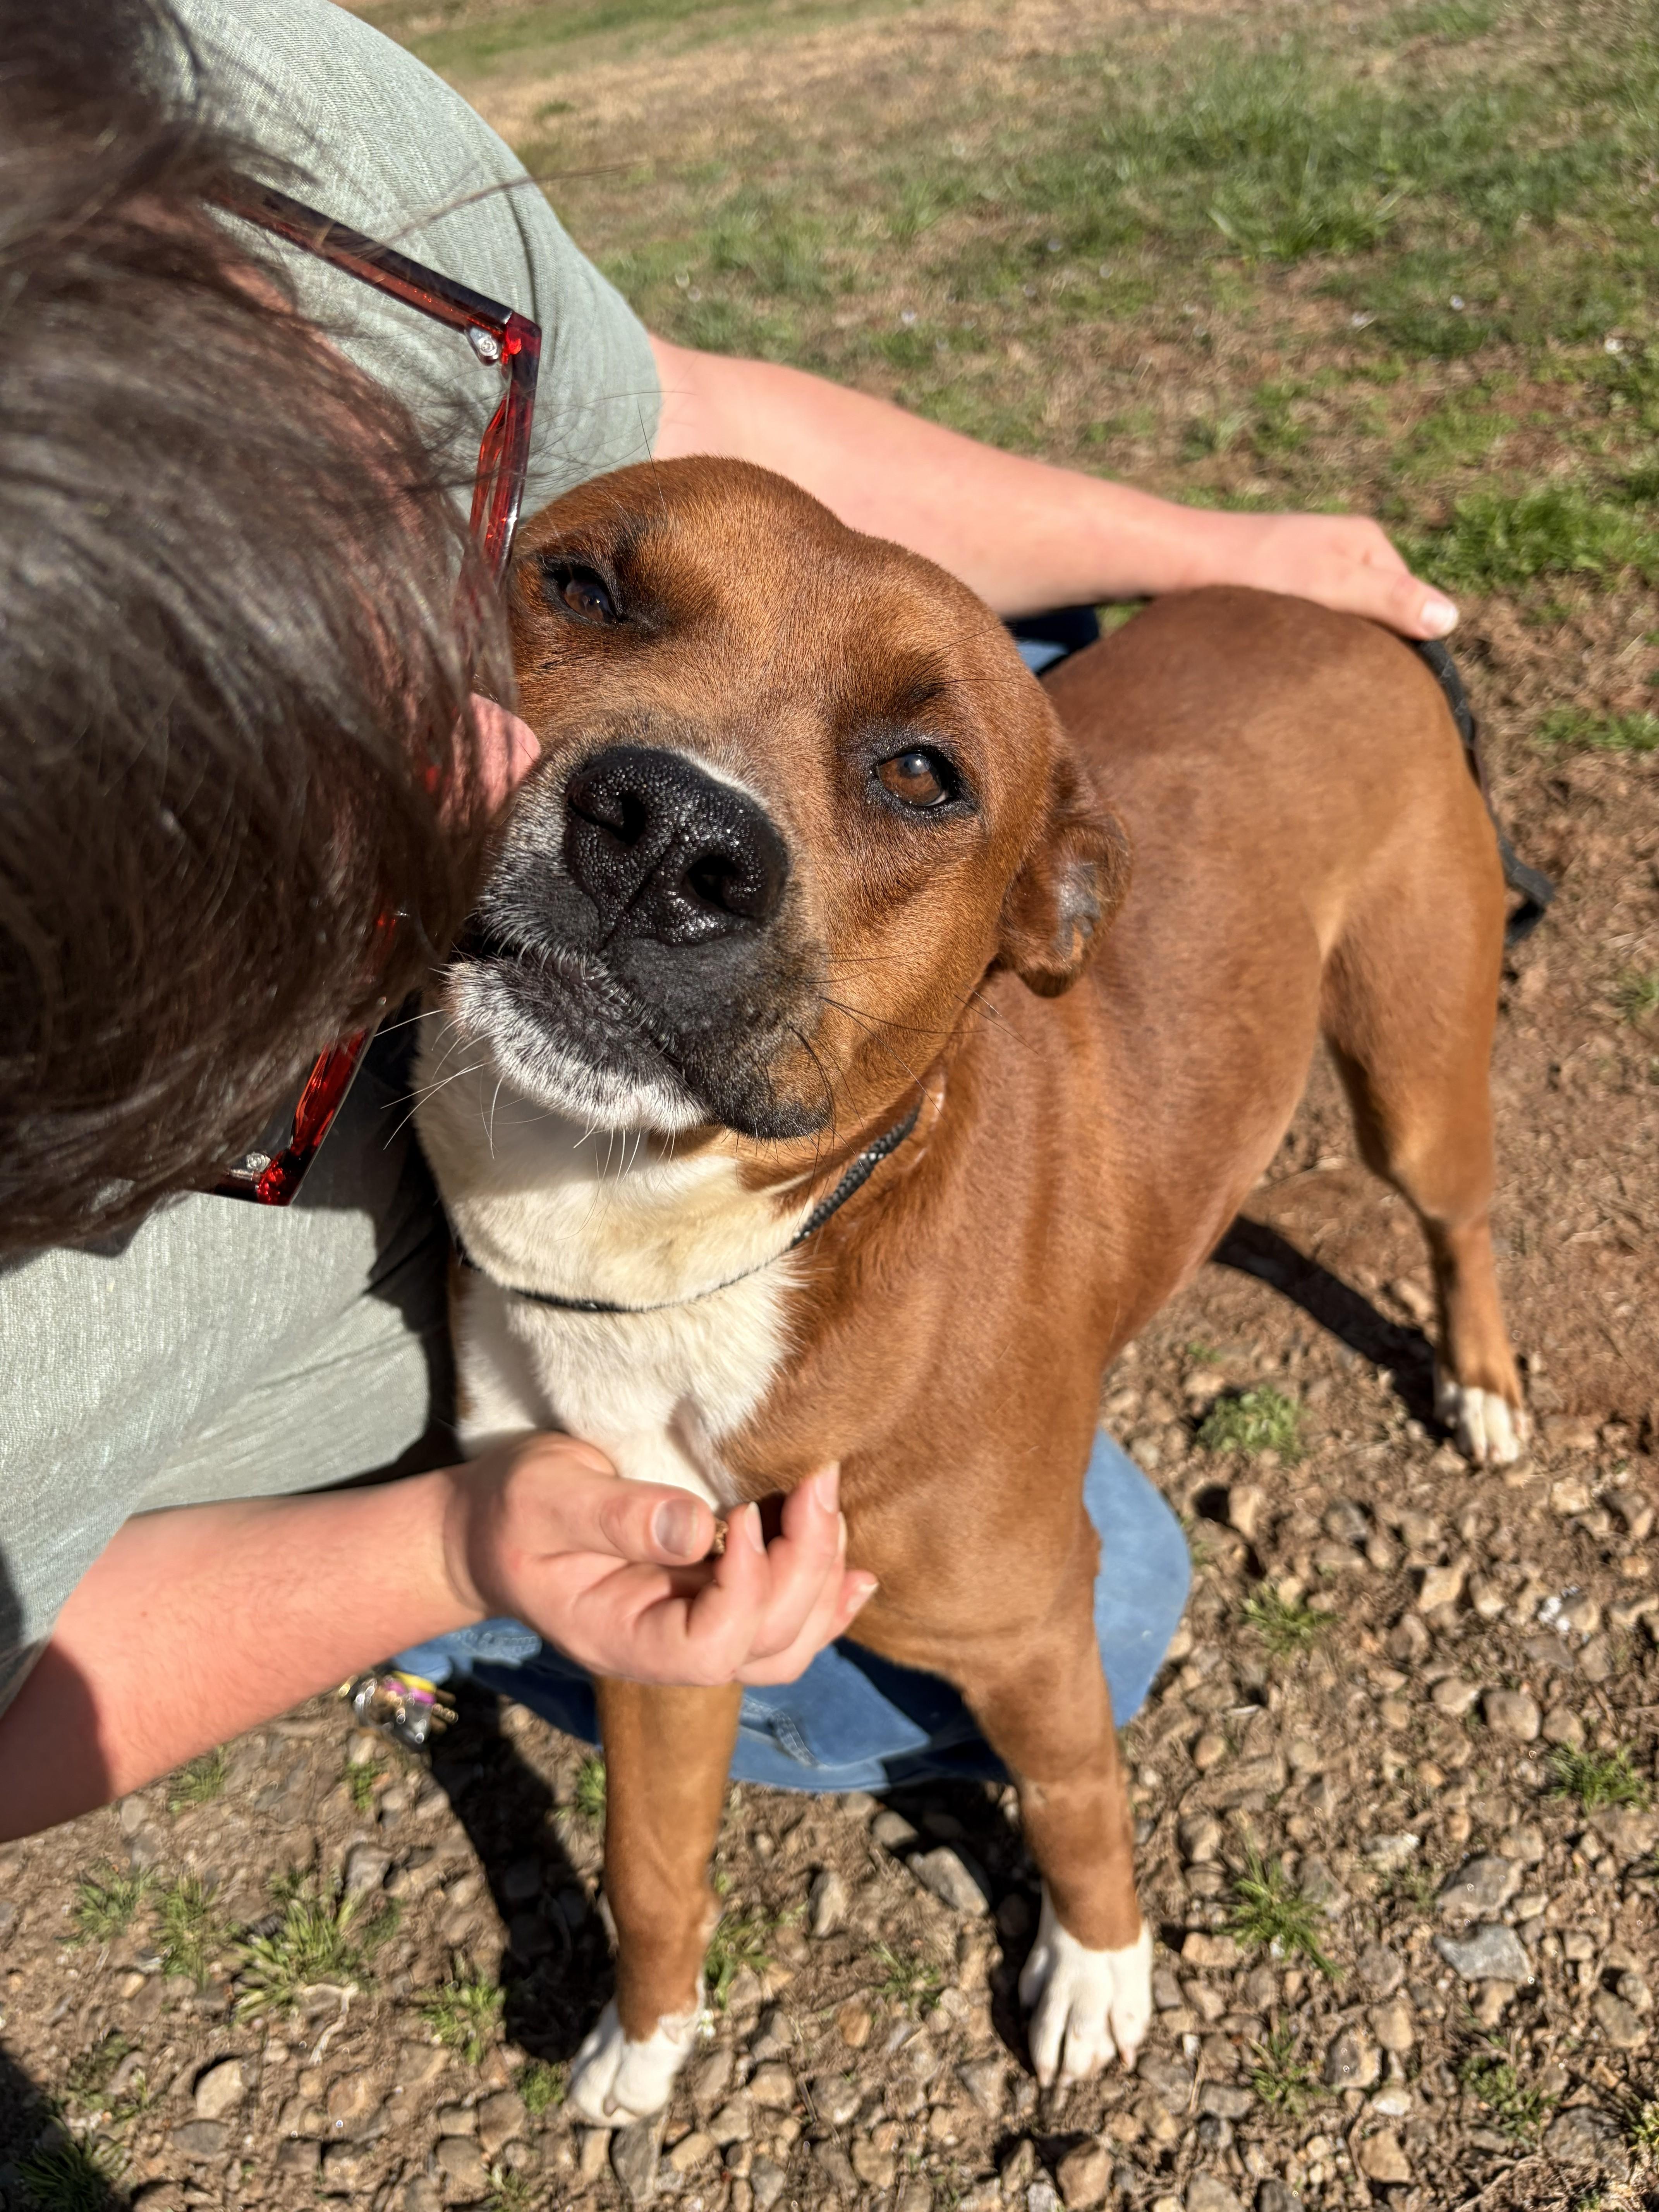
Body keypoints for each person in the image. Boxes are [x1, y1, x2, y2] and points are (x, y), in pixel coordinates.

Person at [0, 0, 1457, 1842]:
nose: (655, 802)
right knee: (1017, 1614)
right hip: (420, 1420)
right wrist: (443, 1549)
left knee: (1144, 1520)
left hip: (755, 1238)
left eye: (576, 580)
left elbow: (675, 419)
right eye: (596, 600)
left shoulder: (270, 109)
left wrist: (1223, 553)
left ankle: (1458, 1278)